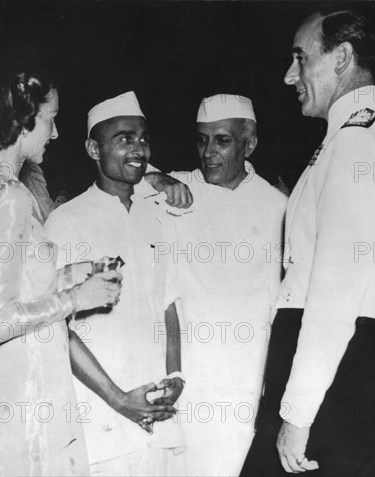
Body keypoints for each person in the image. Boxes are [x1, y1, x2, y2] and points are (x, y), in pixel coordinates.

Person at [242, 10, 375, 477]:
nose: (290, 75)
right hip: (372, 361)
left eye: (300, 58)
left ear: (342, 58)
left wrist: (297, 413)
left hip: (338, 373)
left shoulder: (354, 145)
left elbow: (335, 293)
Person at [0, 63, 122, 477]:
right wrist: (76, 299)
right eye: (51, 120)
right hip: (29, 386)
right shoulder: (12, 196)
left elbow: (8, 282)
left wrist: (78, 271)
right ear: (24, 120)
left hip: (1, 380)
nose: (56, 132)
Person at [140, 94, 287, 476]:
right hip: (183, 373)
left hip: (244, 377)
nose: (208, 152)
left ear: (249, 144)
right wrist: (156, 177)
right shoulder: (178, 190)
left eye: (222, 140)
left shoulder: (277, 206)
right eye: (202, 140)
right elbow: (122, 174)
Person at [45, 91, 186, 477]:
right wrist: (118, 399)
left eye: (143, 138)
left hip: (157, 409)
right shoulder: (66, 221)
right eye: (125, 139)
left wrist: (174, 376)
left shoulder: (155, 215)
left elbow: (168, 303)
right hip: (100, 414)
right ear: (93, 148)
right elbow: (55, 328)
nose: (139, 148)